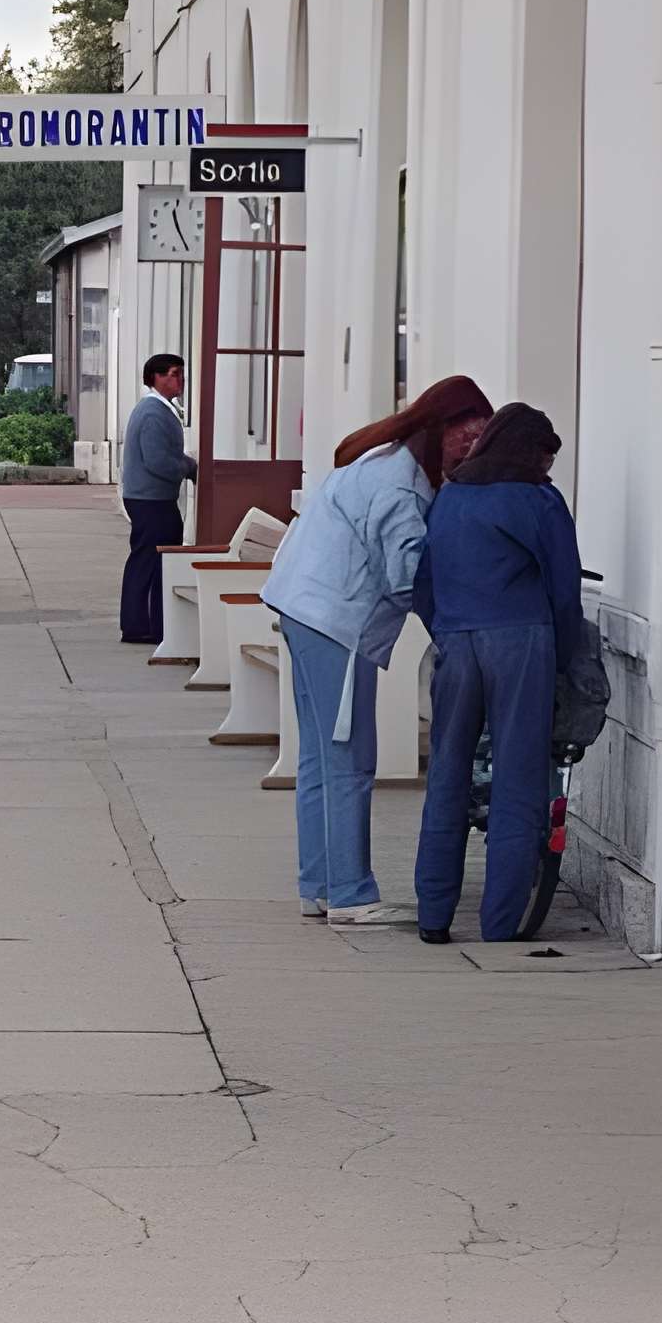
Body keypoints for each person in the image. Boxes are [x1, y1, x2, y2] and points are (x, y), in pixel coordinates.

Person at [257, 375, 495, 926]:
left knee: (320, 758)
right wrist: (459, 631)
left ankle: (318, 885)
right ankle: (350, 895)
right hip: (335, 623)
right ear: (440, 427)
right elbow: (408, 577)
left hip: (304, 611)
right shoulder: (400, 488)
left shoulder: (384, 462)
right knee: (351, 761)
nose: (474, 448)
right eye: (469, 435)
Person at [414, 404, 586, 944]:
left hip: (456, 642)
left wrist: (446, 631)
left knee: (446, 773)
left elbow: (423, 582)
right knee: (518, 778)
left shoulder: (450, 495)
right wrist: (566, 660)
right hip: (522, 640)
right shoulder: (538, 499)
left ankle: (434, 917)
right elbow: (564, 589)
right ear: (530, 451)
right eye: (545, 455)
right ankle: (500, 922)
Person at [119, 354, 195, 644]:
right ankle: (140, 625)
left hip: (151, 497)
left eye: (181, 374)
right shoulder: (152, 412)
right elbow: (158, 461)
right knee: (150, 559)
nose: (180, 380)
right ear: (155, 377)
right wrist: (189, 468)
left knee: (153, 559)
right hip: (150, 499)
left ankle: (148, 623)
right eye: (174, 374)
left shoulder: (162, 409)